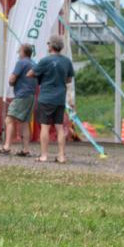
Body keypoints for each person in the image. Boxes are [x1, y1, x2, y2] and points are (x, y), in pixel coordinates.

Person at [31, 35, 75, 163]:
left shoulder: (45, 60)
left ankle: (44, 156)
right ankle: (61, 156)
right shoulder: (67, 61)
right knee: (59, 127)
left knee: (45, 127)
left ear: (51, 45)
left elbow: (31, 73)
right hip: (60, 98)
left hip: (46, 97)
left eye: (48, 44)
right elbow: (69, 79)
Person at [0, 44, 36, 156]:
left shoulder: (21, 62)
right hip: (31, 96)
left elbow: (12, 78)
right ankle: (25, 149)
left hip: (22, 95)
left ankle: (7, 147)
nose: (18, 53)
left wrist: (11, 82)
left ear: (24, 52)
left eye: (19, 51)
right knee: (24, 122)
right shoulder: (34, 63)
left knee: (9, 119)